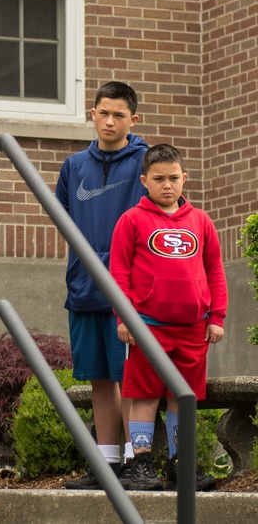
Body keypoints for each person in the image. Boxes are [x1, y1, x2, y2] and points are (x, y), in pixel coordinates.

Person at [110, 143, 226, 492]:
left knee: (183, 396)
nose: (167, 185)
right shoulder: (132, 220)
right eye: (158, 179)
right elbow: (118, 274)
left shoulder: (201, 221)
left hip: (193, 329)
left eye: (174, 178)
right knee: (144, 394)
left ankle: (181, 466)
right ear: (144, 180)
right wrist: (124, 318)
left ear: (184, 178)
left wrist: (216, 316)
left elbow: (215, 271)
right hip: (147, 328)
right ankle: (141, 465)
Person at [55, 81, 148, 489]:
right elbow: (63, 216)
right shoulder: (74, 166)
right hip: (83, 286)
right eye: (103, 113)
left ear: (133, 119)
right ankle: (107, 463)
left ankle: (135, 462)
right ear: (92, 113)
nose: (109, 121)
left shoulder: (145, 161)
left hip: (128, 290)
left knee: (130, 376)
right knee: (98, 377)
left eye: (119, 115)